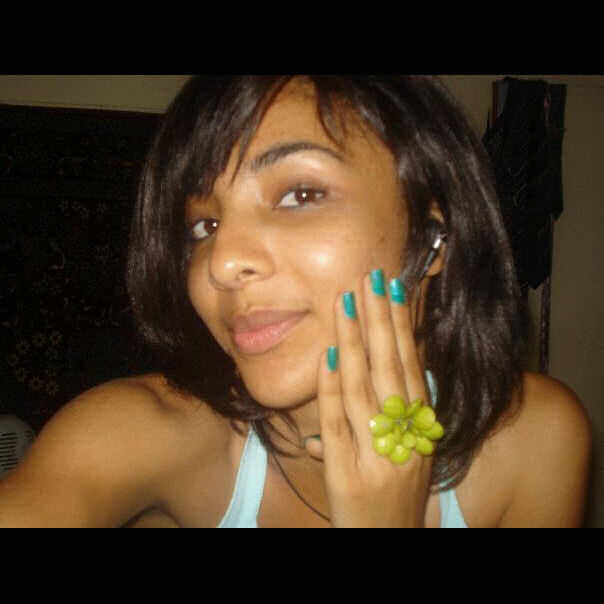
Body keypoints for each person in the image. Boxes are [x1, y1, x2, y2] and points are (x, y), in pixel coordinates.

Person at [0, 75, 593, 527]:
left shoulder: (535, 438)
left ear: (431, 237)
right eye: (203, 226)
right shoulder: (140, 433)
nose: (223, 262)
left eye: (300, 194)